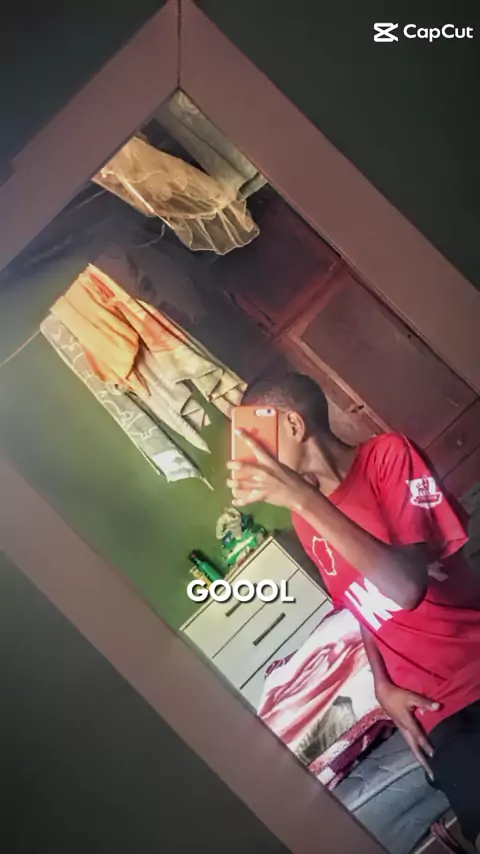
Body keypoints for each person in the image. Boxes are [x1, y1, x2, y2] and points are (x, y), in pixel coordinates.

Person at [227, 372, 480, 850]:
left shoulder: (388, 456)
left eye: (256, 435)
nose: (251, 453)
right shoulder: (305, 518)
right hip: (433, 710)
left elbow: (405, 587)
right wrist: (383, 685)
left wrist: (303, 498)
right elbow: (360, 604)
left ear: (293, 426)